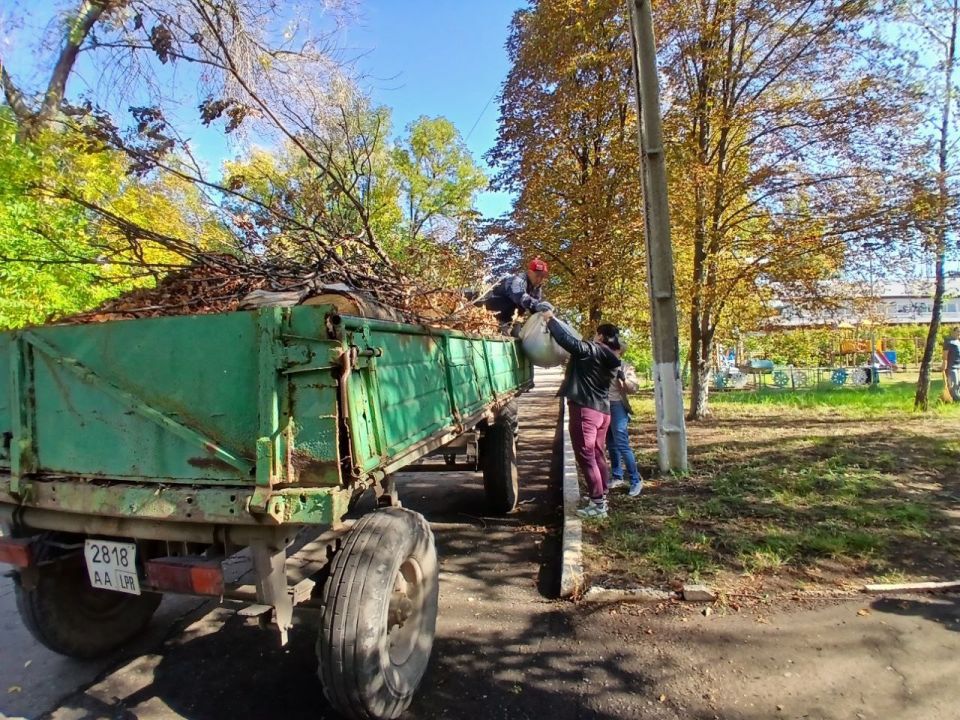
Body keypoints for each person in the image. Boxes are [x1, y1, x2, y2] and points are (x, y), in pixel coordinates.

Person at [542, 312, 622, 519]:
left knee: (586, 456)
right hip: (603, 413)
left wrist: (549, 319)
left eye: (597, 334)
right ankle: (601, 496)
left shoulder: (591, 350)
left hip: (584, 411)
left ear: (601, 337)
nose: (594, 336)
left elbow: (566, 340)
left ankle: (598, 505)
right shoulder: (612, 359)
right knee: (597, 454)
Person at [483, 258, 553, 333]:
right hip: (495, 311)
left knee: (518, 334)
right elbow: (519, 296)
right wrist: (537, 305)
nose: (539, 279)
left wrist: (547, 315)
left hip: (512, 317)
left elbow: (535, 309)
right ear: (529, 273)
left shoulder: (536, 288)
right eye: (537, 275)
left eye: (542, 277)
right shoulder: (518, 280)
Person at [607, 353, 643, 497]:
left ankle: (635, 480)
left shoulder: (625, 366)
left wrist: (624, 379)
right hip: (603, 406)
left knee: (622, 444)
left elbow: (634, 388)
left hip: (617, 407)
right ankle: (617, 476)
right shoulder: (601, 363)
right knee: (611, 443)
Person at [943, 327, 960, 401]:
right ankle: (955, 400)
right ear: (953, 331)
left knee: (958, 384)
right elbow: (945, 354)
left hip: (959, 366)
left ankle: (956, 399)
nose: (959, 333)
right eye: (958, 331)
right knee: (954, 384)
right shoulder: (948, 341)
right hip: (951, 367)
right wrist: (944, 363)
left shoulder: (958, 341)